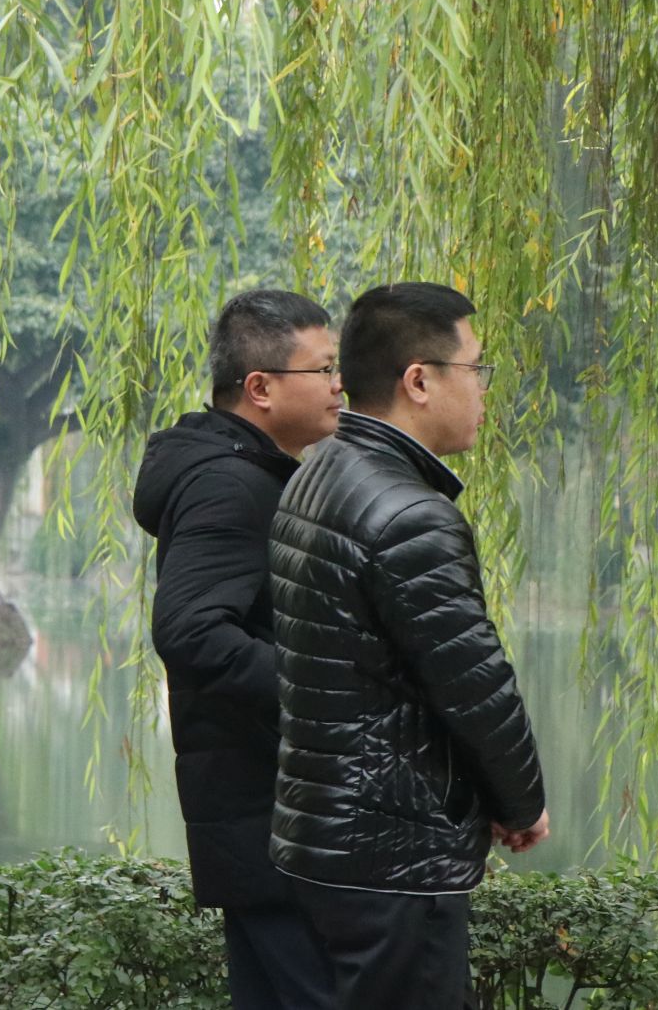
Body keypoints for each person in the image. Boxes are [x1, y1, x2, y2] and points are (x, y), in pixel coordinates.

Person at [271, 282, 549, 1009]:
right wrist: (522, 803)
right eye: (477, 369)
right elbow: (476, 686)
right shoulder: (410, 515)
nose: (485, 391)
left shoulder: (319, 473)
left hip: (324, 837)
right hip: (393, 853)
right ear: (419, 380)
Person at [133, 289, 341, 1009]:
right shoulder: (230, 484)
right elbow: (190, 628)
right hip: (269, 814)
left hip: (266, 815)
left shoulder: (249, 471)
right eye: (323, 369)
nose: (339, 385)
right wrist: (319, 701)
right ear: (260, 388)